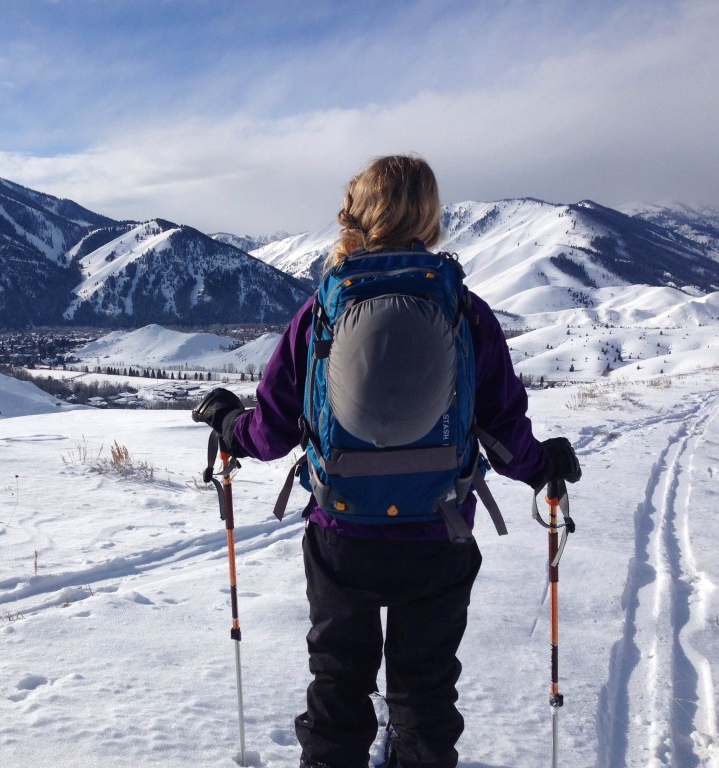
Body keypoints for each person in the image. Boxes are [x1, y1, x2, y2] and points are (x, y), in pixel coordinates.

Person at [192, 154, 581, 768]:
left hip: (342, 532)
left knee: (338, 684)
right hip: (439, 532)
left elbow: (269, 433)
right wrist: (545, 466)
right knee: (425, 691)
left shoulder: (321, 307)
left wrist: (226, 424)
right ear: (429, 216)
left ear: (358, 213)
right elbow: (504, 434)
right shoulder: (465, 311)